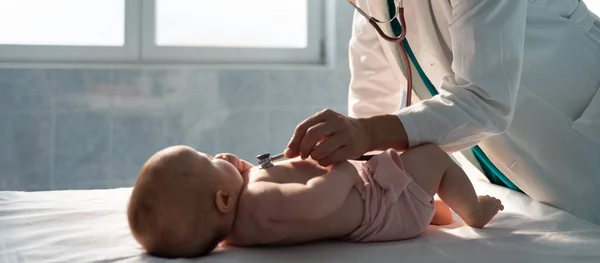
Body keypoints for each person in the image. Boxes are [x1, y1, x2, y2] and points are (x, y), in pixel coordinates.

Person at [272, 0, 600, 225]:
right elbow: (370, 99)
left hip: (584, 143)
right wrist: (345, 162)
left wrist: (365, 134)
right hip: (521, 174)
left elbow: (484, 100)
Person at [126, 145, 503, 258]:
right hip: (381, 203)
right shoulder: (257, 201)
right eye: (210, 162)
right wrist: (342, 168)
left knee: (418, 183)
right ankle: (474, 211)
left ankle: (434, 213)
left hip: (386, 207)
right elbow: (316, 201)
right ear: (223, 199)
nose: (220, 156)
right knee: (433, 156)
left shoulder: (236, 228)